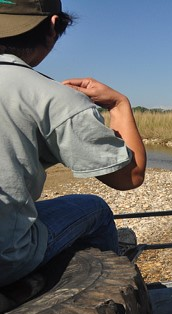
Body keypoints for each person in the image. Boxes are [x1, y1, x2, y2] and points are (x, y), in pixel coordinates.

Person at [0, 0, 147, 289]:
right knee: (94, 208)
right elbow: (130, 176)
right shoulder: (52, 97)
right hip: (6, 256)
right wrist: (119, 104)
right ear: (53, 25)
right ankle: (112, 290)